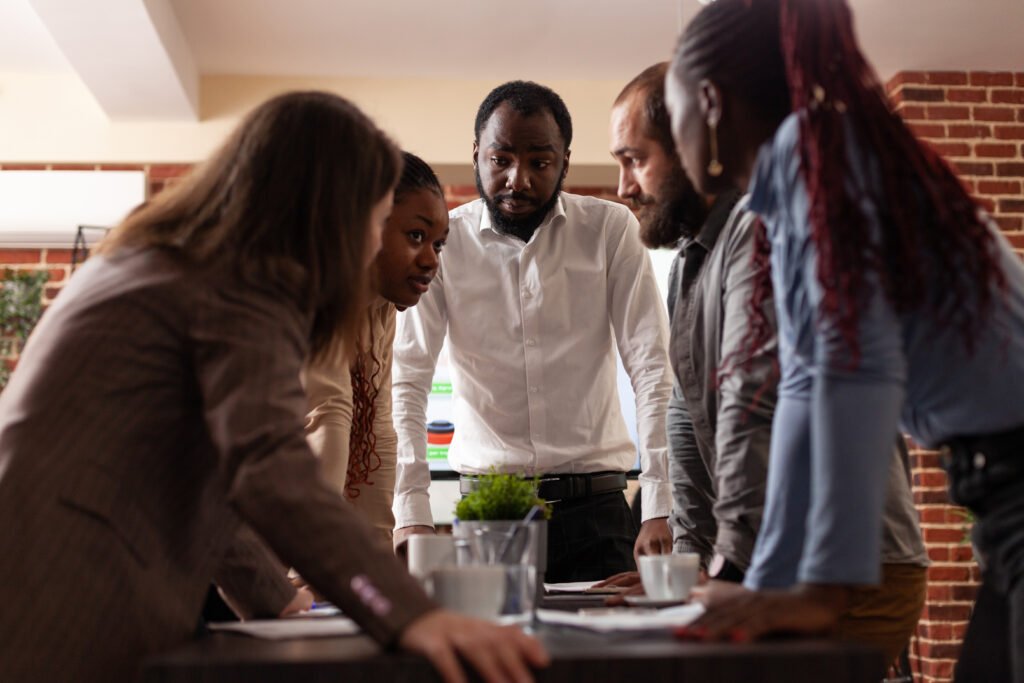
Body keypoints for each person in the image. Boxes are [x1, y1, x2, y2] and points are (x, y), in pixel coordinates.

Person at [0, 91, 546, 683]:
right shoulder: (242, 285)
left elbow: (212, 474)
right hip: (64, 601)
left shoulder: (175, 260)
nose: (370, 243)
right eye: (372, 217)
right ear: (327, 208)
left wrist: (275, 599)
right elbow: (268, 468)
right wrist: (412, 615)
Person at [665, 1, 1024, 680]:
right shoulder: (804, 171)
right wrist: (769, 577)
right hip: (1000, 486)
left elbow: (854, 370)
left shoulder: (815, 157)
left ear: (708, 101)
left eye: (673, 107)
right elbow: (804, 386)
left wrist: (822, 587)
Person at [604, 62, 928, 664]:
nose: (623, 186)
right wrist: (689, 563)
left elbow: (750, 407)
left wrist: (730, 569)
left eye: (635, 159)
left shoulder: (764, 228)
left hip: (844, 575)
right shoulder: (689, 264)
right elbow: (687, 416)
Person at [391, 80, 675, 581]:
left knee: (609, 655)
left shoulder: (610, 229)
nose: (516, 180)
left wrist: (659, 502)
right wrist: (410, 513)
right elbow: (408, 378)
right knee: (490, 655)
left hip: (599, 511)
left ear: (565, 161)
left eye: (539, 163)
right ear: (477, 154)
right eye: (500, 159)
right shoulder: (445, 243)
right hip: (488, 514)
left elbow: (652, 367)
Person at [304, 152, 449, 544]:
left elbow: (377, 434)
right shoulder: (313, 292)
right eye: (416, 236)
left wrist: (378, 553)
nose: (431, 260)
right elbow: (328, 418)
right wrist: (319, 570)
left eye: (439, 244)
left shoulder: (381, 305)